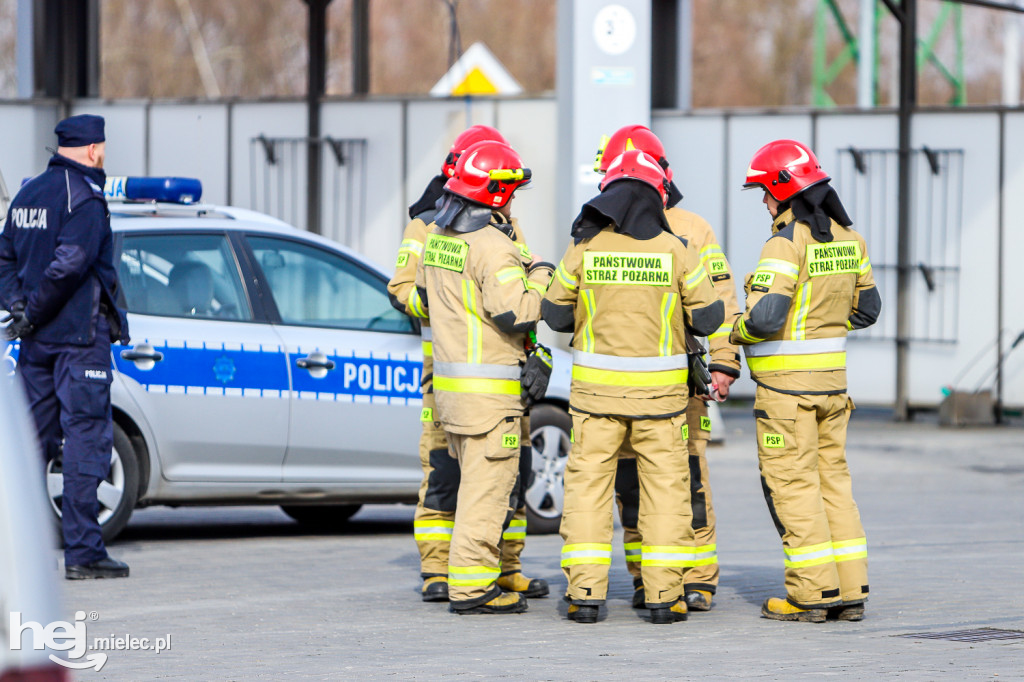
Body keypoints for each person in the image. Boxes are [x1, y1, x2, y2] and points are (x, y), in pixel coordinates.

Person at [542, 150, 724, 624]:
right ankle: (664, 597)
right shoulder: (676, 248)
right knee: (666, 494)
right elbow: (709, 317)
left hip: (594, 401)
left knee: (589, 492)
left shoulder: (585, 246)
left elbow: (555, 314)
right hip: (661, 406)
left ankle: (585, 595)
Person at [388, 125, 548, 602]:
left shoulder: (495, 225)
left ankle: (505, 565)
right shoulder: (427, 227)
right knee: (448, 475)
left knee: (508, 474)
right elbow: (405, 292)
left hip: (496, 373)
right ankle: (444, 571)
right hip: (457, 373)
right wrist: (446, 304)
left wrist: (533, 352)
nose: (515, 202)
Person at [593, 125, 742, 612]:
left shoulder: (691, 228)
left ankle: (696, 578)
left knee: (688, 482)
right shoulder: (600, 225)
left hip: (680, 383)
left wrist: (723, 362)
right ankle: (647, 578)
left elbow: (719, 299)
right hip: (620, 384)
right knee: (630, 485)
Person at [732, 139, 880, 622]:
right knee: (834, 484)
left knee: (793, 488)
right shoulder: (849, 240)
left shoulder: (784, 241)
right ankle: (850, 589)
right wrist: (823, 319)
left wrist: (737, 328)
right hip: (833, 391)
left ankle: (812, 595)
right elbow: (868, 310)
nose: (762, 201)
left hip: (786, 397)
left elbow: (768, 314)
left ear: (782, 187)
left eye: (763, 191)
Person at [0, 114, 131, 580]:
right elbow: (69, 266)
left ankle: (16, 555)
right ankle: (83, 553)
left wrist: (19, 308)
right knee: (85, 442)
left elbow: (5, 257)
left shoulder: (29, 193)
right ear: (94, 149)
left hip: (36, 344)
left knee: (28, 445)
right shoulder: (87, 199)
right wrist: (32, 309)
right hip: (78, 341)